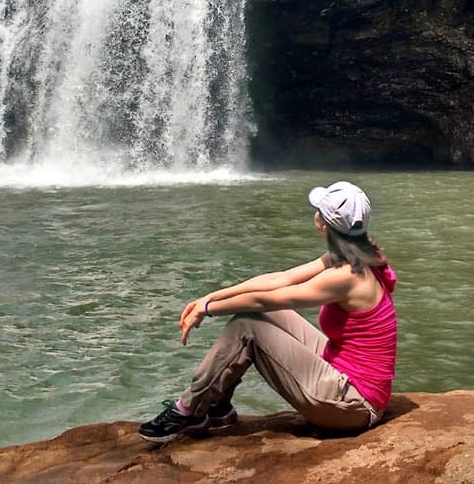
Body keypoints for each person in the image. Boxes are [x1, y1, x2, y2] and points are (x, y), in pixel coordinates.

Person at [138, 181, 397, 443]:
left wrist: (208, 310)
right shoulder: (358, 255)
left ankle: (189, 409)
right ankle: (217, 407)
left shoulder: (346, 276)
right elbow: (280, 279)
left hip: (354, 404)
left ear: (323, 223)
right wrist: (210, 297)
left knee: (248, 326)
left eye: (318, 208)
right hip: (346, 376)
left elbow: (266, 300)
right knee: (269, 316)